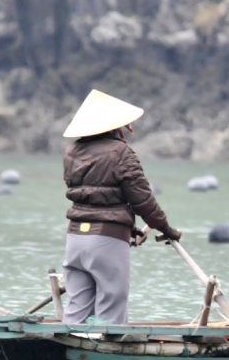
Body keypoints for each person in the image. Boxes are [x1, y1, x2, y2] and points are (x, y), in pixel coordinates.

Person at [61, 89, 182, 325]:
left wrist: (129, 228)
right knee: (111, 305)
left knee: (76, 308)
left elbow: (93, 196)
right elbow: (142, 201)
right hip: (106, 241)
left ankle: (65, 349)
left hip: (75, 238)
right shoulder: (121, 152)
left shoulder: (71, 152)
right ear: (115, 126)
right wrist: (166, 229)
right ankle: (103, 356)